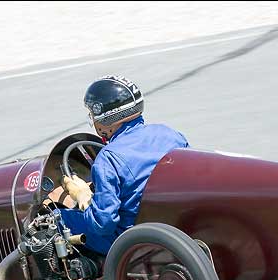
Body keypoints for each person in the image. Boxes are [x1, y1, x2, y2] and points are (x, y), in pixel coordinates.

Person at [57, 75, 189, 256]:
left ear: (105, 119)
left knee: (53, 220)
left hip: (131, 240)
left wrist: (83, 197)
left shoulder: (108, 159)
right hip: (176, 227)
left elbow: (103, 224)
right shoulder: (172, 135)